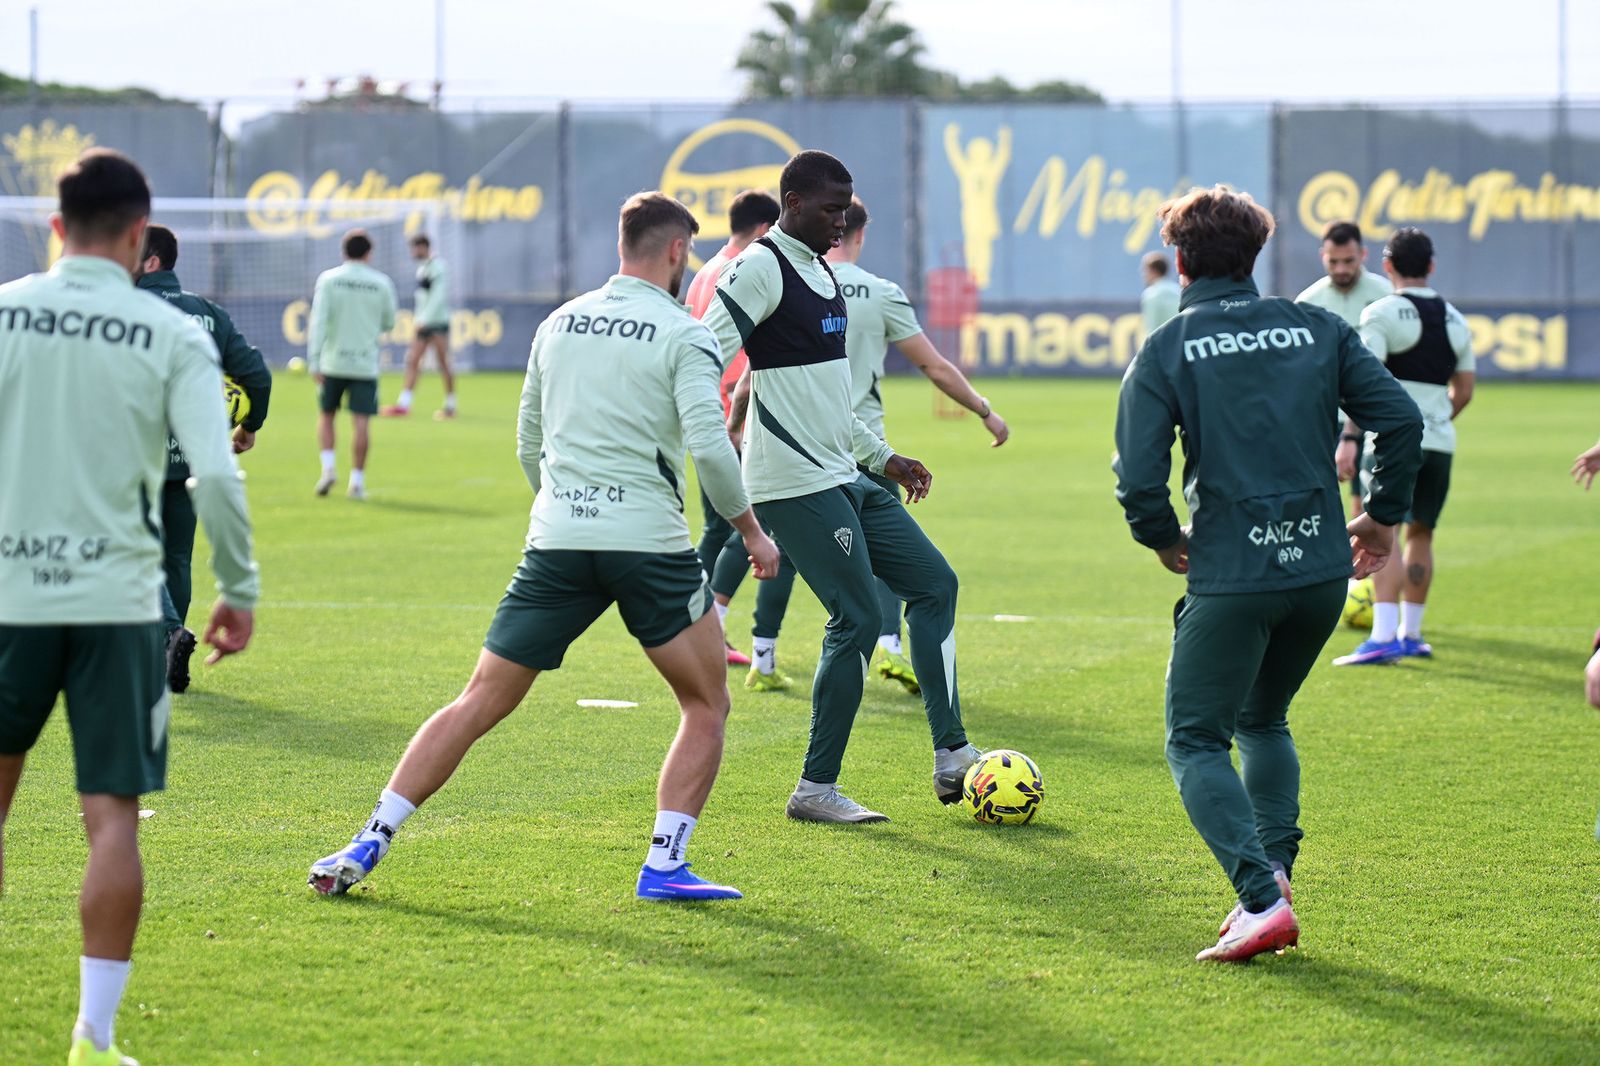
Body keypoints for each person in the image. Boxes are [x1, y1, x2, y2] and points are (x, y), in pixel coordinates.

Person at [309, 192, 779, 903]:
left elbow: (528, 442)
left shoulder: (560, 322)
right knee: (705, 703)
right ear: (678, 251)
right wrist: (749, 531)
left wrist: (561, 507)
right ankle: (664, 864)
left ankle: (370, 836)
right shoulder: (685, 334)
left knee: (477, 702)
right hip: (648, 545)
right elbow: (712, 449)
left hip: (557, 540)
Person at [1114, 184, 1421, 962]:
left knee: (1194, 739)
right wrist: (1383, 515)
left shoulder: (1168, 346)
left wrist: (1159, 538)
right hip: (1321, 571)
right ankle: (1274, 876)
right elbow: (1401, 418)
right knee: (1262, 719)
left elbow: (1139, 476)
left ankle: (1259, 897)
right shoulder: (1319, 326)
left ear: (1180, 262)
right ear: (1254, 255)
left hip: (1232, 573)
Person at [0, 148, 258, 1066]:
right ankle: (93, 1038)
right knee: (110, 818)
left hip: (10, 593)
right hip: (120, 601)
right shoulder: (174, 334)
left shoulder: (6, 308)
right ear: (142, 236)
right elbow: (217, 475)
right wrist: (240, 589)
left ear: (56, 226)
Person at [702, 150, 983, 823]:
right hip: (793, 482)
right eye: (830, 209)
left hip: (845, 473)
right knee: (856, 617)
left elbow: (832, 398)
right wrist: (702, 429)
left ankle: (952, 755)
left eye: (845, 210)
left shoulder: (820, 272)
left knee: (935, 584)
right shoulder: (762, 266)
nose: (841, 221)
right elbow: (701, 348)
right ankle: (815, 789)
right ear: (792, 202)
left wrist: (884, 458)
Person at [720, 195, 1009, 696]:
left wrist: (736, 426)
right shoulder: (878, 291)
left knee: (781, 552)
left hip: (790, 447)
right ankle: (889, 646)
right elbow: (934, 366)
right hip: (860, 441)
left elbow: (750, 374)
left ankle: (762, 656)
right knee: (888, 560)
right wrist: (985, 410)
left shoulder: (790, 281)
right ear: (859, 232)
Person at [134, 223, 272, 694]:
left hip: (134, 453)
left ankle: (168, 634)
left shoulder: (124, 309)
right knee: (176, 555)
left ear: (151, 261)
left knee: (133, 550)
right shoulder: (206, 313)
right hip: (190, 453)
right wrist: (249, 425)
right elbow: (257, 375)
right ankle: (170, 642)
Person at [1334, 227, 1474, 665]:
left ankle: (1382, 635)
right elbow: (1465, 390)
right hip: (1441, 442)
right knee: (1423, 532)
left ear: (1387, 265)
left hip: (1392, 440)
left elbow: (1364, 383)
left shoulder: (1382, 312)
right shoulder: (1456, 319)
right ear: (1431, 267)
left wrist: (1352, 437)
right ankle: (1412, 634)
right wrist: (1434, 422)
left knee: (1384, 529)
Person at [683, 189, 796, 674]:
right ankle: (709, 630)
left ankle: (699, 628)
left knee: (716, 527)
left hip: (706, 409)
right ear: (763, 230)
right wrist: (737, 418)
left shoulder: (704, 272)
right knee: (752, 527)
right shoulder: (750, 271)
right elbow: (751, 358)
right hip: (739, 416)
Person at [1296, 221, 1393, 520]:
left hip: (1376, 414)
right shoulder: (1308, 303)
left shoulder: (1385, 295)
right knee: (1318, 506)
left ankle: (1357, 567)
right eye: (1333, 261)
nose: (1340, 269)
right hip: (1325, 417)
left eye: (1348, 261)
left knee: (1368, 512)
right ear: (1322, 255)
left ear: (1363, 254)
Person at [308, 229, 397, 500]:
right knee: (361, 423)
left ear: (343, 251)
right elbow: (389, 322)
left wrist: (314, 359)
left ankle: (328, 470)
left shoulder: (329, 280)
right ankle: (356, 482)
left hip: (332, 361)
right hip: (364, 364)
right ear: (369, 253)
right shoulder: (381, 283)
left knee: (327, 415)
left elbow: (319, 321)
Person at [382, 234, 456, 419]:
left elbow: (439, 297)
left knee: (443, 362)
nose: (413, 253)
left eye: (415, 248)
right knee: (413, 360)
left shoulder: (438, 267)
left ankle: (450, 405)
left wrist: (425, 320)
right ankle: (404, 404)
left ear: (424, 247)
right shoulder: (422, 269)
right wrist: (419, 319)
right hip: (423, 322)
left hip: (437, 323)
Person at [1139, 251, 1180, 336]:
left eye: (1145, 271)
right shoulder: (1178, 290)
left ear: (1154, 271)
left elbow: (1152, 328)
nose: (1143, 275)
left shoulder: (1151, 294)